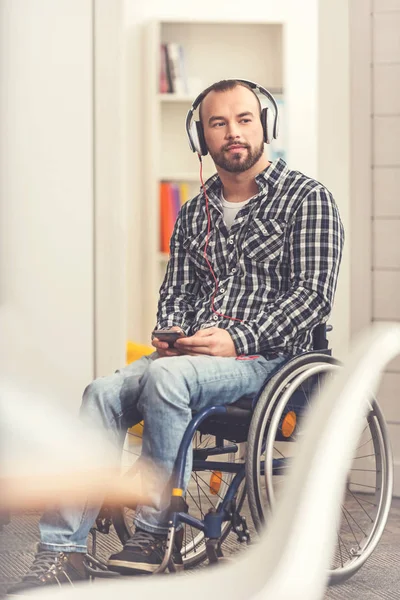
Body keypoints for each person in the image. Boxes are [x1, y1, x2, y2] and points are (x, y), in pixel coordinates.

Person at [8, 79, 344, 593]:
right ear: (201, 137)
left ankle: (153, 529)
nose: (233, 133)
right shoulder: (195, 211)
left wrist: (237, 338)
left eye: (244, 119)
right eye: (218, 123)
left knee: (166, 379)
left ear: (265, 125)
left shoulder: (308, 199)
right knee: (100, 392)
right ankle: (62, 551)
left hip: (271, 360)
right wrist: (173, 334)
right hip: (192, 358)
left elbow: (311, 298)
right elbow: (175, 294)